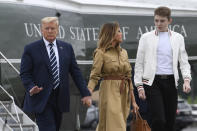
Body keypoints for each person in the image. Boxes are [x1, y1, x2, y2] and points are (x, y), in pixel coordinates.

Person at [20, 17, 91, 131]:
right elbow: (24, 73)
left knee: (55, 128)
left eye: (52, 28)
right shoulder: (31, 49)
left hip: (60, 98)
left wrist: (85, 93)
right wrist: (31, 87)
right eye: (46, 28)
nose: (49, 31)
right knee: (49, 128)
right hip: (41, 97)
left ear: (57, 29)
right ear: (41, 30)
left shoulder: (67, 48)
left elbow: (76, 72)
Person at [134, 6, 192, 131]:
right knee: (159, 119)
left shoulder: (178, 38)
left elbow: (184, 61)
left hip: (171, 82)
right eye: (156, 20)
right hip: (152, 82)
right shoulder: (146, 38)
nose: (158, 24)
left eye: (162, 21)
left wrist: (186, 80)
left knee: (170, 121)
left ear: (169, 21)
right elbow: (139, 64)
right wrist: (139, 86)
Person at [87, 22, 139, 131]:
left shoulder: (124, 52)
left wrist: (134, 101)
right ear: (111, 34)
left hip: (125, 91)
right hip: (109, 90)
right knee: (116, 126)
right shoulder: (100, 52)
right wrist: (88, 92)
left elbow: (128, 76)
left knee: (106, 126)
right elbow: (94, 75)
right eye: (119, 31)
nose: (121, 33)